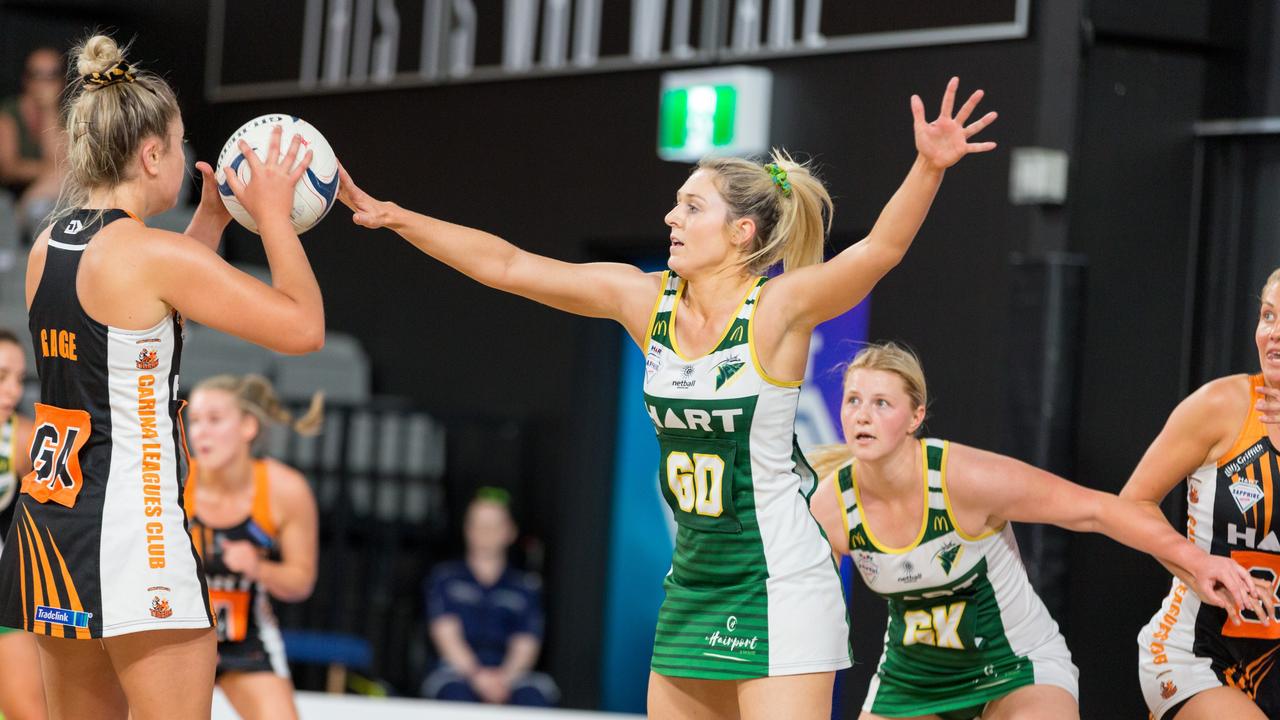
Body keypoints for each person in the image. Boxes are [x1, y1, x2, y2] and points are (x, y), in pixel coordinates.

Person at [339, 76, 998, 719]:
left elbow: (880, 249)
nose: (670, 217)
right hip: (694, 582)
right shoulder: (643, 299)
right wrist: (399, 218)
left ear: (741, 232)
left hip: (780, 583)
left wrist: (929, 166)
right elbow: (510, 266)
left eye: (691, 206)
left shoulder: (777, 309)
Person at [0, 33, 326, 720]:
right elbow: (303, 329)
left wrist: (205, 223)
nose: (182, 154)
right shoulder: (150, 257)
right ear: (151, 154)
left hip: (52, 529)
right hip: (135, 531)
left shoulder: (45, 246)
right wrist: (272, 218)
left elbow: (141, 322)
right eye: (178, 142)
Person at [808, 342, 1265, 720]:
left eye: (881, 402)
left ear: (915, 418)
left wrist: (1197, 561)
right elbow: (808, 624)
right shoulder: (831, 506)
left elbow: (1096, 511)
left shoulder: (964, 479)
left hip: (1016, 669)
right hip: (912, 683)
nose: (862, 415)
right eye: (853, 400)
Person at [1123, 267, 1280, 720]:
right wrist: (1195, 563)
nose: (1272, 334)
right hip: (1196, 651)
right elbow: (1132, 503)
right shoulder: (1221, 406)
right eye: (1267, 316)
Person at [186, 374, 321, 720]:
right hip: (177, 633)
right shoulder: (174, 481)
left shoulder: (284, 489)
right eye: (195, 421)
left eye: (215, 420)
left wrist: (258, 567)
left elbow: (301, 581)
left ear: (248, 426)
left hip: (245, 638)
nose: (201, 432)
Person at [423, 487, 558, 706]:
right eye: (479, 525)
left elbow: (527, 642)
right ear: (467, 529)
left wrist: (503, 679)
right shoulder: (445, 578)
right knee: (453, 696)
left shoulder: (526, 586)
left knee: (535, 697)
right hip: (457, 672)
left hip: (510, 675)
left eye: (493, 525)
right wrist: (478, 677)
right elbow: (446, 636)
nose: (485, 532)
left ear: (510, 531)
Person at [0, 329, 46, 720]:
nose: (12, 391)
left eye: (18, 379)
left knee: (29, 714)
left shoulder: (26, 438)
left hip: (6, 602)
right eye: (1, 377)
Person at [0, 47, 68, 240]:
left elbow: (57, 157)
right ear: (26, 79)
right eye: (36, 74)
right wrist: (50, 172)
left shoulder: (65, 116)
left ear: (62, 81)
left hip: (51, 200)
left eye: (52, 75)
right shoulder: (10, 113)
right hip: (12, 199)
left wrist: (48, 109)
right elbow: (9, 168)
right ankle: (22, 218)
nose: (43, 82)